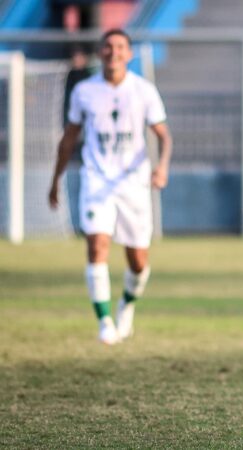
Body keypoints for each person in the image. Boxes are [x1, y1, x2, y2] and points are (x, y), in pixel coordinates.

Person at [48, 29, 173, 345]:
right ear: (100, 53)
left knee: (138, 261)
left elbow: (164, 136)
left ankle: (126, 305)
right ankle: (104, 321)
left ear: (129, 54)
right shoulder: (84, 91)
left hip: (134, 183)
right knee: (97, 245)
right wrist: (56, 180)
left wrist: (161, 168)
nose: (113, 52)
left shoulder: (144, 91)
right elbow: (69, 139)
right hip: (97, 179)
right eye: (108, 46)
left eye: (120, 47)